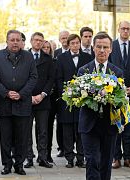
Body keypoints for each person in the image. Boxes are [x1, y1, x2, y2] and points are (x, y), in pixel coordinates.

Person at [0, 30, 38, 175]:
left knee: (22, 137)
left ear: (21, 41)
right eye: (12, 40)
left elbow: (33, 77)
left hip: (22, 103)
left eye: (18, 40)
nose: (15, 42)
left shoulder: (28, 57)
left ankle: (19, 164)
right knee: (5, 137)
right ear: (7, 41)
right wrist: (5, 92)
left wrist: (21, 94)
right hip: (4, 103)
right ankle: (6, 164)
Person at [78, 32, 123, 180]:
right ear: (93, 48)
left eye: (105, 47)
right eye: (99, 47)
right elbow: (77, 97)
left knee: (105, 162)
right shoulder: (83, 71)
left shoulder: (117, 72)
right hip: (89, 124)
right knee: (92, 160)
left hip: (109, 125)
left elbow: (121, 100)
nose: (102, 50)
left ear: (111, 49)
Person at [109, 21, 130, 169]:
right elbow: (108, 69)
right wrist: (117, 88)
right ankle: (116, 158)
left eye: (128, 29)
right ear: (118, 29)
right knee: (116, 126)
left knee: (128, 127)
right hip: (115, 94)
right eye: (123, 28)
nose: (125, 31)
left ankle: (128, 158)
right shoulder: (112, 46)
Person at [56, 34, 92, 168]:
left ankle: (81, 158)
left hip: (83, 100)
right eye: (73, 43)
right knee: (67, 131)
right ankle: (69, 158)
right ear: (68, 44)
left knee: (81, 130)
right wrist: (65, 94)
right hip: (67, 101)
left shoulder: (87, 57)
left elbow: (90, 77)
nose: (75, 45)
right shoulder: (61, 58)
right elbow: (58, 78)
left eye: (77, 43)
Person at [24, 32, 55, 169]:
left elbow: (51, 79)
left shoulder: (48, 59)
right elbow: (19, 78)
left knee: (43, 130)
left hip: (43, 99)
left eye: (41, 41)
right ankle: (28, 158)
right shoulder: (23, 57)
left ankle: (42, 157)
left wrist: (42, 95)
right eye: (36, 40)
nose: (38, 43)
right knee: (26, 130)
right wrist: (28, 96)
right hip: (26, 99)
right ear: (31, 41)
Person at [52, 30, 69, 158]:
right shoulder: (56, 53)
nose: (65, 40)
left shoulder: (76, 52)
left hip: (74, 93)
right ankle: (61, 147)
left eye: (66, 37)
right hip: (60, 94)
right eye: (62, 38)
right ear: (59, 39)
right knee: (61, 123)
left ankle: (70, 147)